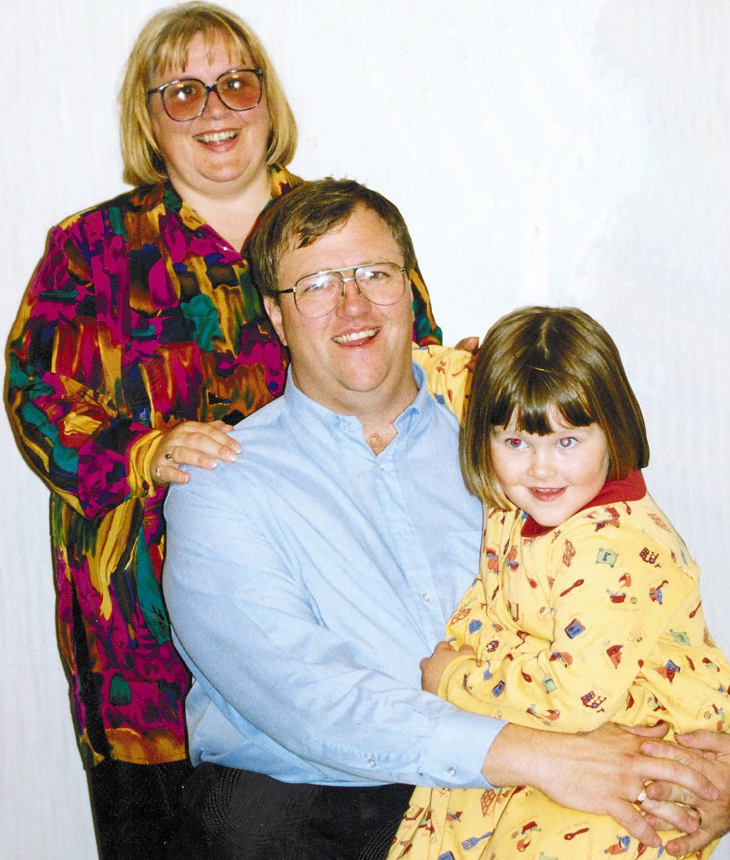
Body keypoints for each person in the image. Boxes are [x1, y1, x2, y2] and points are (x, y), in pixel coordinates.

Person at [162, 178, 727, 860]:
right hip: (317, 805)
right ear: (277, 317)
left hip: (533, 778)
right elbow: (311, 702)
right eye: (315, 285)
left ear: (411, 288)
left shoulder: (512, 435)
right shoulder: (221, 480)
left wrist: (706, 767)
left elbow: (633, 587)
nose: (353, 304)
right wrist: (541, 757)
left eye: (376, 273)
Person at [4, 5, 441, 859]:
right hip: (145, 641)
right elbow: (34, 393)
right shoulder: (90, 249)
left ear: (267, 102)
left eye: (236, 84)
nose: (215, 109)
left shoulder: (344, 232)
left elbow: (412, 371)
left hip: (336, 614)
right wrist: (147, 451)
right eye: (182, 92)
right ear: (147, 116)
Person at [389, 307, 730, 860]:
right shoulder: (518, 476)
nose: (542, 470)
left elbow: (576, 699)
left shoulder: (609, 549)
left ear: (613, 428)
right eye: (517, 442)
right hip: (551, 727)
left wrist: (453, 680)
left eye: (568, 442)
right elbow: (451, 375)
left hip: (631, 749)